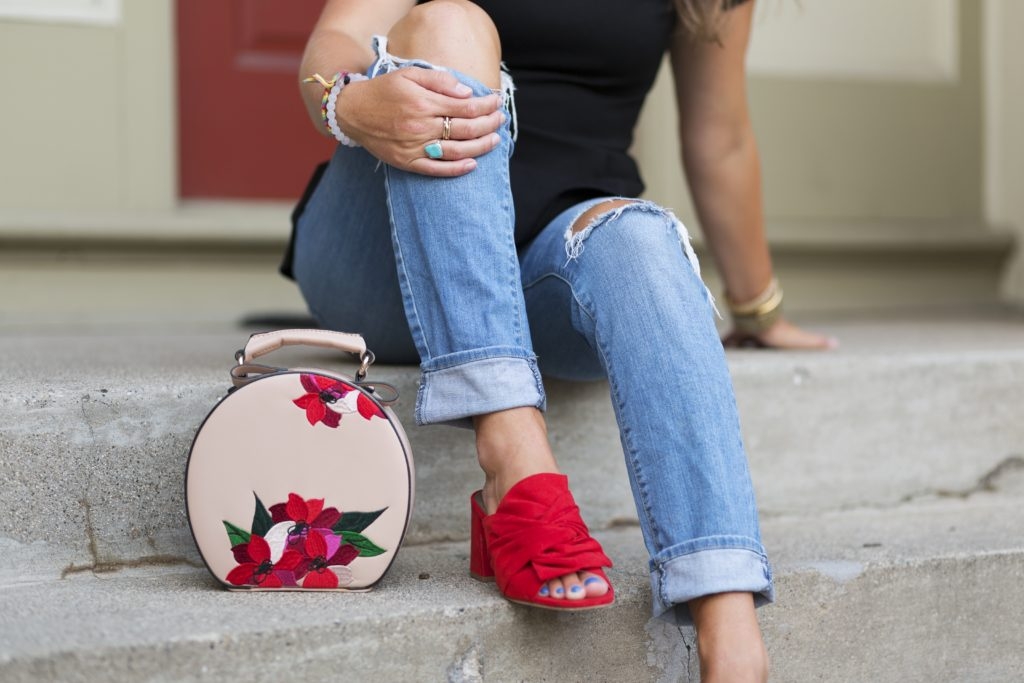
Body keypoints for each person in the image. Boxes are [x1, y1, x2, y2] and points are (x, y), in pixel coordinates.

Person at [282, 0, 795, 679]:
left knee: (642, 240)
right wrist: (351, 107)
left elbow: (720, 134)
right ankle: (513, 459)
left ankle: (731, 640)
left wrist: (758, 308)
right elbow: (335, 42)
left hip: (551, 263)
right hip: (387, 251)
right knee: (450, 26)